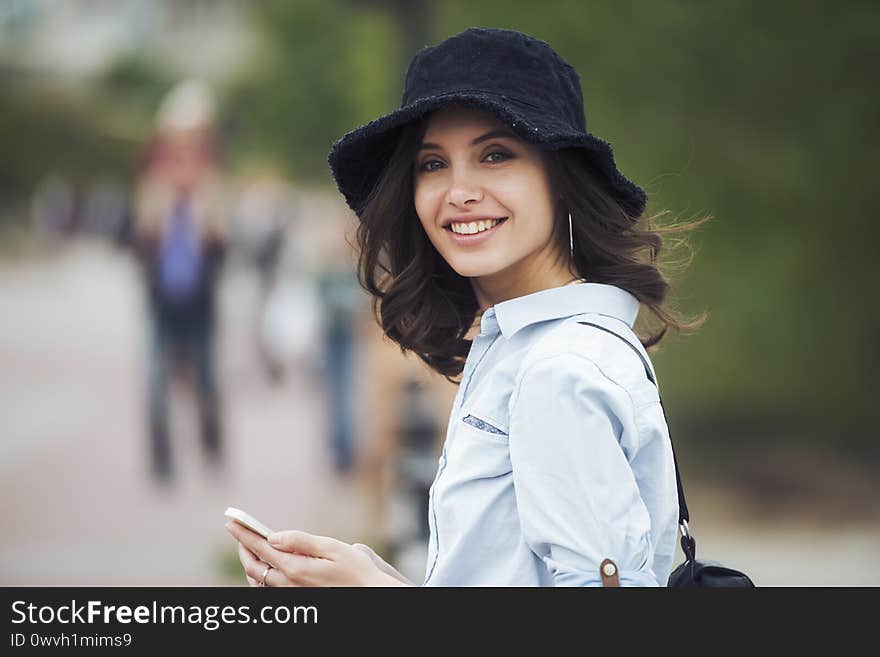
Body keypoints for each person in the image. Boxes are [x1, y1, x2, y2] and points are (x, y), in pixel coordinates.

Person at [226, 27, 708, 586]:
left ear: (561, 178)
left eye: (495, 155)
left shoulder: (557, 371)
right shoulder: (530, 344)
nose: (459, 191)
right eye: (433, 164)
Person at [133, 80, 229, 483]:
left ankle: (211, 447)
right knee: (155, 386)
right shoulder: (153, 187)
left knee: (206, 385)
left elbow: (224, 246)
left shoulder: (213, 188)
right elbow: (138, 241)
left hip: (200, 305)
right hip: (161, 304)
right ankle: (161, 463)